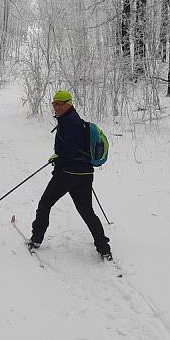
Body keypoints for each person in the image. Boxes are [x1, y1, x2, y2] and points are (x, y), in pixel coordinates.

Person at [28, 90, 112, 260]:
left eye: (60, 104)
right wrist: (59, 157)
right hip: (85, 173)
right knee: (87, 211)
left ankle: (36, 239)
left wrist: (57, 160)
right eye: (54, 104)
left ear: (69, 103)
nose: (57, 107)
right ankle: (104, 248)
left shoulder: (69, 123)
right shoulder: (76, 120)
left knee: (45, 203)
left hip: (68, 174)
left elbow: (70, 152)